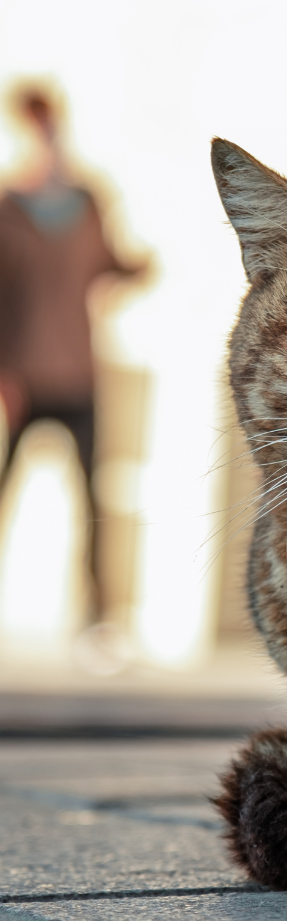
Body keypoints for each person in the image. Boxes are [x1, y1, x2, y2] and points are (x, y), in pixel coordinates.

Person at [0, 85, 144, 623]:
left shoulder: (86, 201)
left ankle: (97, 618)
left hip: (80, 373)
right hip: (24, 377)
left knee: (92, 500)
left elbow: (108, 262)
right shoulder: (8, 210)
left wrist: (140, 266)